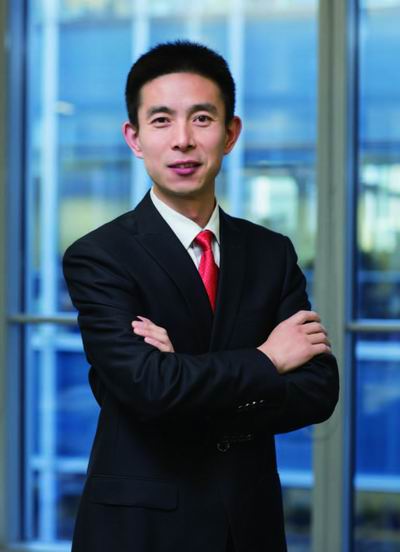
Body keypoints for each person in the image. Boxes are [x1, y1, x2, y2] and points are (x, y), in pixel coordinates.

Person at [63, 40, 339, 552]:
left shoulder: (271, 252)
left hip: (249, 524)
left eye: (202, 119)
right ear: (134, 137)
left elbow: (319, 390)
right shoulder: (99, 256)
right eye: (161, 120)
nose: (183, 140)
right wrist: (268, 360)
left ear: (230, 133)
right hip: (142, 529)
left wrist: (181, 380)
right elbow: (149, 387)